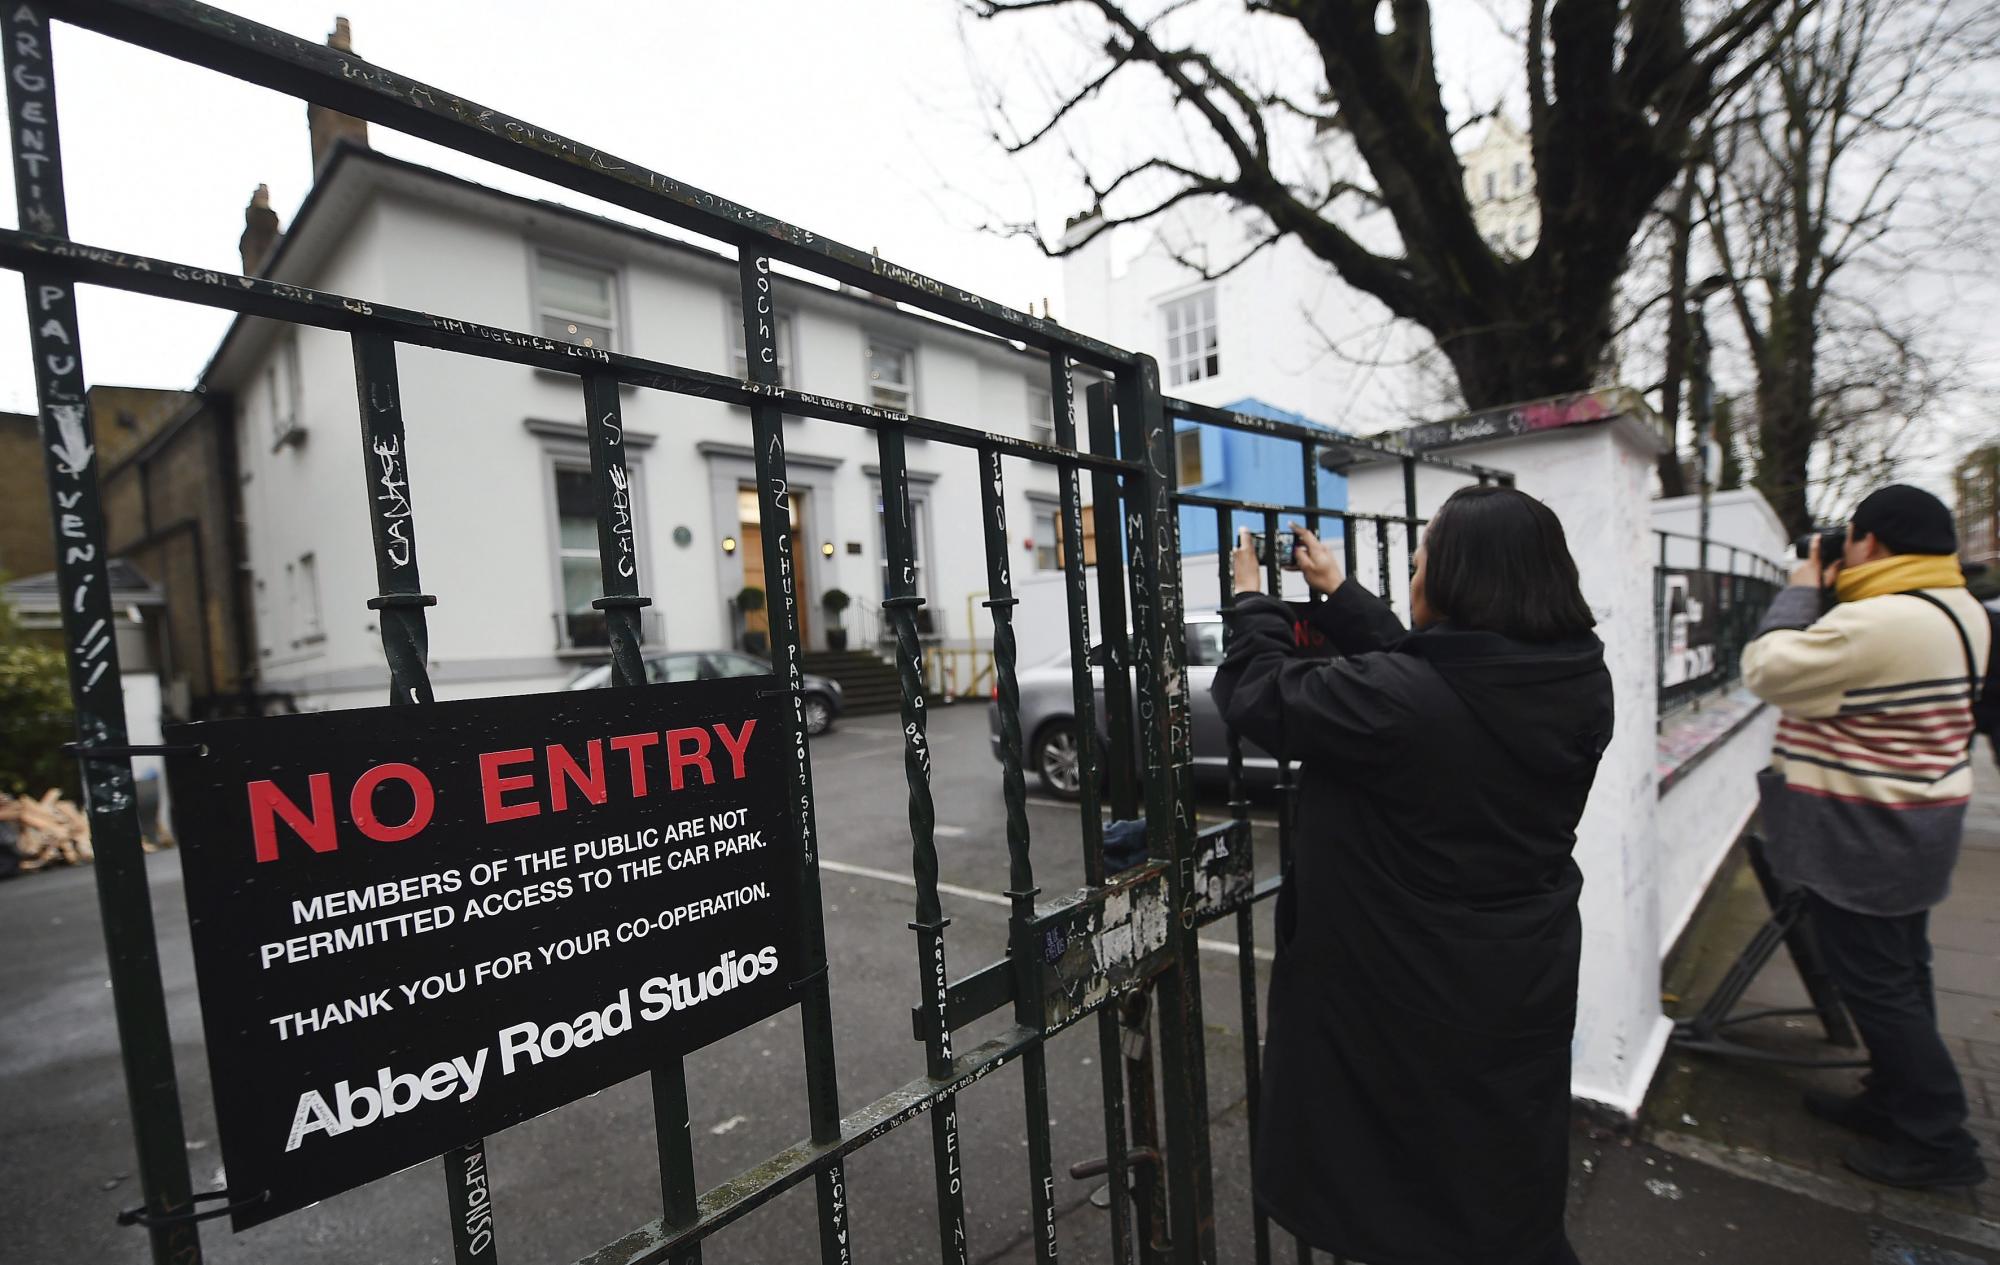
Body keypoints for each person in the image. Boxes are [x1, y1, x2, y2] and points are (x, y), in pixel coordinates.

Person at [1212, 485, 1613, 1265]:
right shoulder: (1574, 678)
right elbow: (1446, 677)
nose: (1417, 577)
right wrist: (1340, 594)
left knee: (1415, 1201)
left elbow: (1263, 694)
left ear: (1462, 582)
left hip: (1411, 993)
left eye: (1422, 564)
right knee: (1495, 1187)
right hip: (1514, 980)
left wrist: (1253, 602)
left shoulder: (1407, 704)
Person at [1741, 484, 1990, 1190]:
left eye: (1849, 536)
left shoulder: (1878, 621)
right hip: (1918, 823)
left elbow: (1767, 669)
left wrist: (1800, 587)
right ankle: (1893, 1099)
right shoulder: (1959, 608)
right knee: (1902, 972)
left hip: (1866, 834)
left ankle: (1937, 1138)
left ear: (1872, 542)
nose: (1840, 547)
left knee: (1878, 985)